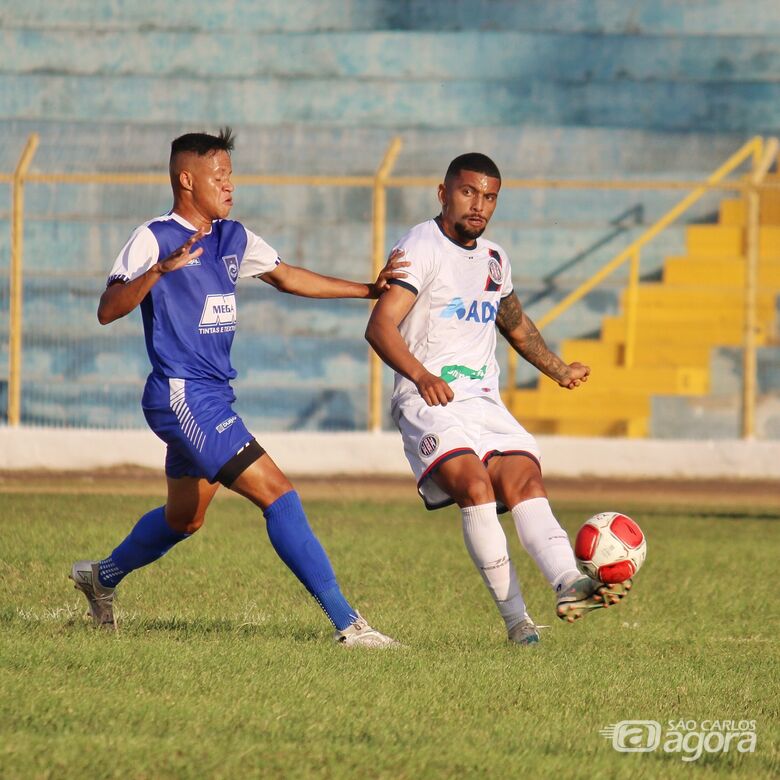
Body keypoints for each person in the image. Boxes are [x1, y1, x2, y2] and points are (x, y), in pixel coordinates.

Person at [70, 127, 405, 647]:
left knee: (185, 518)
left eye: (231, 175)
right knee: (279, 494)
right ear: (187, 180)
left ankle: (101, 578)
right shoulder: (155, 237)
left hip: (213, 395)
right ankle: (350, 625)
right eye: (219, 176)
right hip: (181, 395)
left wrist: (366, 289)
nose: (229, 185)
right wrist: (160, 270)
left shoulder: (233, 235)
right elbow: (107, 310)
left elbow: (287, 276)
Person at [365, 152, 631, 645]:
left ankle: (569, 582)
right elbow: (380, 325)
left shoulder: (495, 259)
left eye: (489, 197)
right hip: (428, 400)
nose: (479, 205)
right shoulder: (420, 247)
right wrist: (422, 376)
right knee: (475, 486)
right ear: (443, 193)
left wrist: (559, 370)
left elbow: (514, 324)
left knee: (525, 478)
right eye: (468, 192)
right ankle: (517, 622)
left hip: (483, 400)